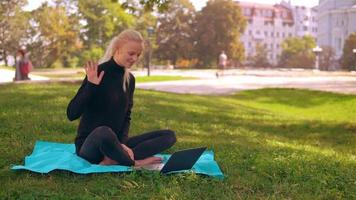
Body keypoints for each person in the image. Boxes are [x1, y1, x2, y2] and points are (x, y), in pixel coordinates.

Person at [67, 29, 176, 167]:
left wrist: (123, 145)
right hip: (92, 146)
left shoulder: (130, 80)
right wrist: (91, 86)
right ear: (117, 49)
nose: (135, 59)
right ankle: (133, 162)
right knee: (104, 132)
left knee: (169, 135)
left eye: (138, 54)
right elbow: (71, 114)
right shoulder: (98, 73)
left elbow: (126, 116)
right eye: (131, 53)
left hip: (116, 144)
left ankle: (116, 157)